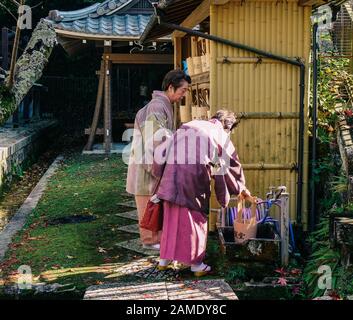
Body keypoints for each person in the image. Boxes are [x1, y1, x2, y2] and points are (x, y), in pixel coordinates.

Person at [152, 110, 252, 275]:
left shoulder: (189, 125)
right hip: (193, 179)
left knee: (171, 219)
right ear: (228, 127)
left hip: (170, 174)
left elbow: (163, 149)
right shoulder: (219, 133)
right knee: (195, 221)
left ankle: (164, 260)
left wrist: (160, 175)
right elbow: (232, 164)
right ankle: (196, 265)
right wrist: (240, 187)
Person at [126, 69, 191, 251]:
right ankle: (151, 241)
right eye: (183, 90)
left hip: (148, 163)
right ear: (171, 88)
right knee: (149, 207)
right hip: (147, 166)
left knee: (152, 206)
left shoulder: (162, 105)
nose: (183, 95)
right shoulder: (157, 107)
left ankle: (155, 240)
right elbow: (154, 141)